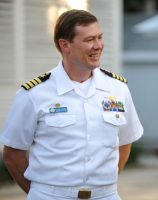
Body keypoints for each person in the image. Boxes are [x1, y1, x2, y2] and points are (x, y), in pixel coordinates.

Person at [1, 9, 143, 200]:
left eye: (100, 37)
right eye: (89, 40)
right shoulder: (34, 94)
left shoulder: (117, 89)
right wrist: (39, 193)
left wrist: (99, 187)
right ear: (65, 45)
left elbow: (125, 142)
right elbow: (12, 154)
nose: (98, 45)